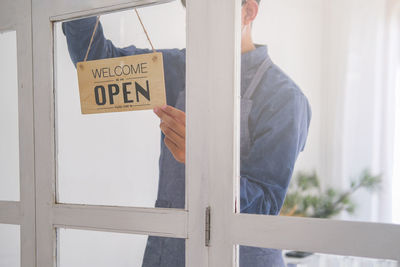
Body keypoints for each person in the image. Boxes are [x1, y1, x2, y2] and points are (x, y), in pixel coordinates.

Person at [62, 0, 311, 266]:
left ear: (248, 11)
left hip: (241, 258)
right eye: (191, 8)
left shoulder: (285, 98)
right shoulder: (178, 68)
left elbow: (265, 206)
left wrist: (200, 156)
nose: (195, 20)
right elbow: (95, 65)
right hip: (169, 251)